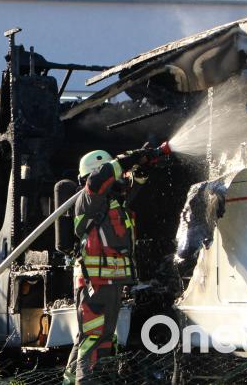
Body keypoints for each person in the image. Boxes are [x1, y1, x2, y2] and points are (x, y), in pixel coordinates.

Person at [63, 147, 160, 384]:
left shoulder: (111, 201)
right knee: (96, 339)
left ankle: (69, 381)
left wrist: (144, 165)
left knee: (91, 337)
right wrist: (133, 156)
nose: (118, 180)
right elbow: (102, 176)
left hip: (108, 282)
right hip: (96, 282)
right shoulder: (90, 197)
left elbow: (134, 185)